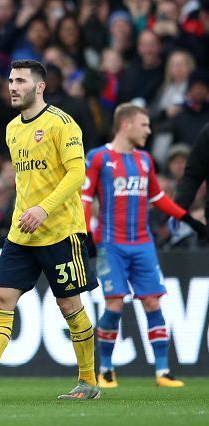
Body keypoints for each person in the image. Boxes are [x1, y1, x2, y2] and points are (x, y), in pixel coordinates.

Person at [0, 60, 100, 401]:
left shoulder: (62, 124)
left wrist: (43, 208)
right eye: (10, 80)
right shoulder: (12, 128)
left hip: (61, 230)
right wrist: (26, 210)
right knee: (0, 299)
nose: (12, 86)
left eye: (20, 80)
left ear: (40, 86)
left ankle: (88, 381)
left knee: (69, 305)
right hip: (22, 232)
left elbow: (77, 175)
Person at [82, 103, 206, 389]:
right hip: (110, 245)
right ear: (126, 125)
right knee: (114, 302)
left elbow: (158, 197)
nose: (149, 131)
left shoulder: (145, 160)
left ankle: (163, 371)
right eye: (145, 125)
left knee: (152, 301)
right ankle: (107, 369)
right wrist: (86, 233)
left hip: (143, 244)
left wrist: (187, 218)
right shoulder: (99, 158)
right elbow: (85, 198)